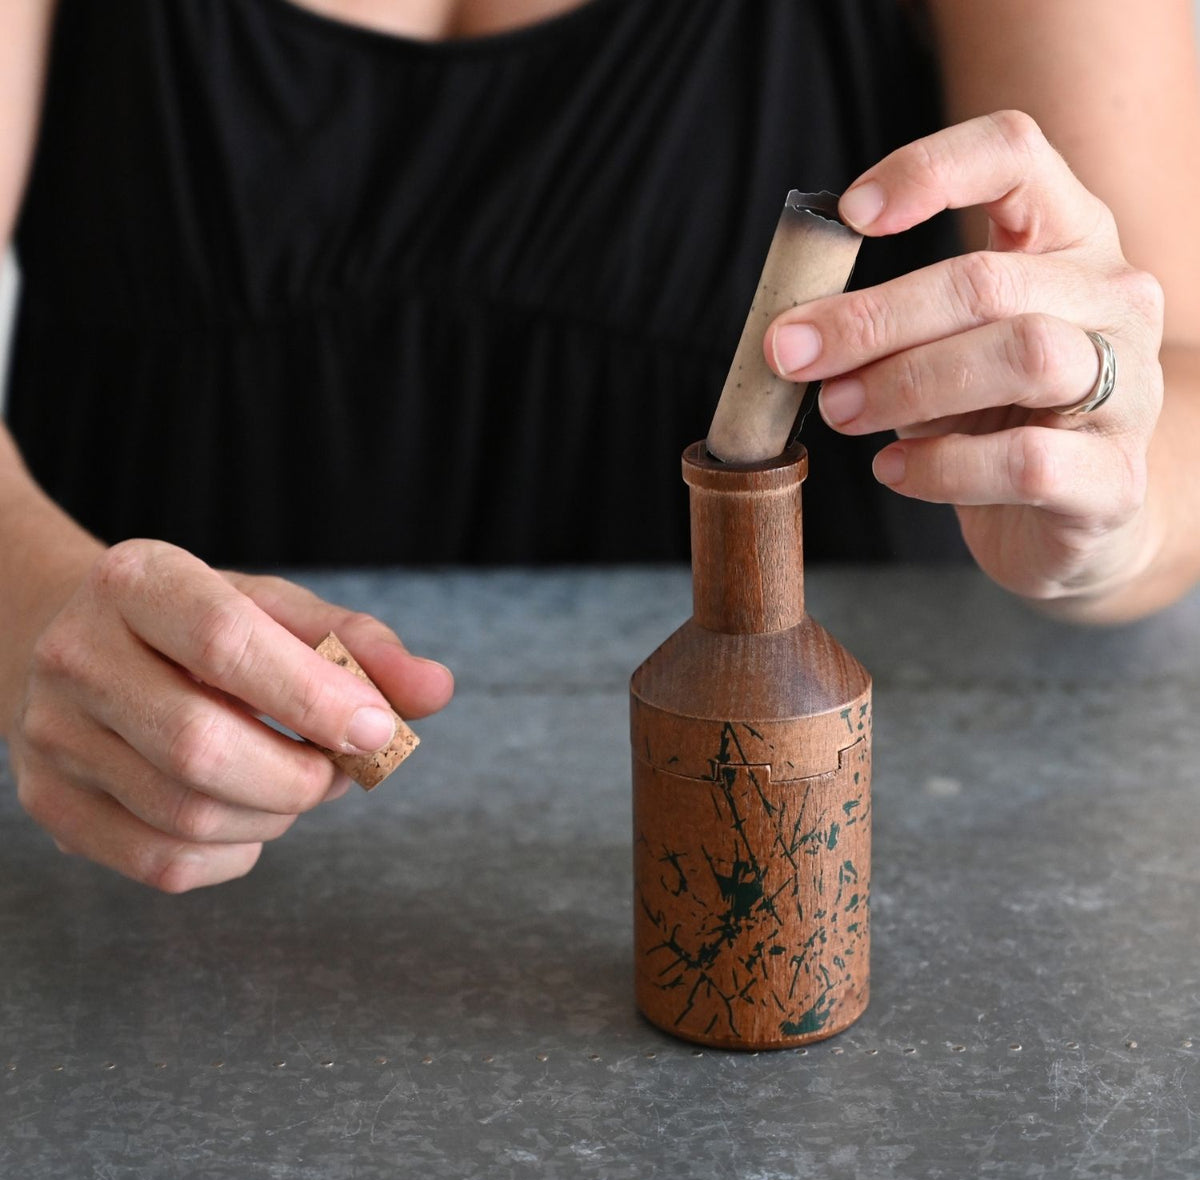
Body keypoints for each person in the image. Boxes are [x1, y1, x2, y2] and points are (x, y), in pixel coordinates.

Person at [1, 0, 1198, 891]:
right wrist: (34, 603)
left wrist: (1112, 497)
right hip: (128, 853)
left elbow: (1176, 370)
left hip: (857, 852)